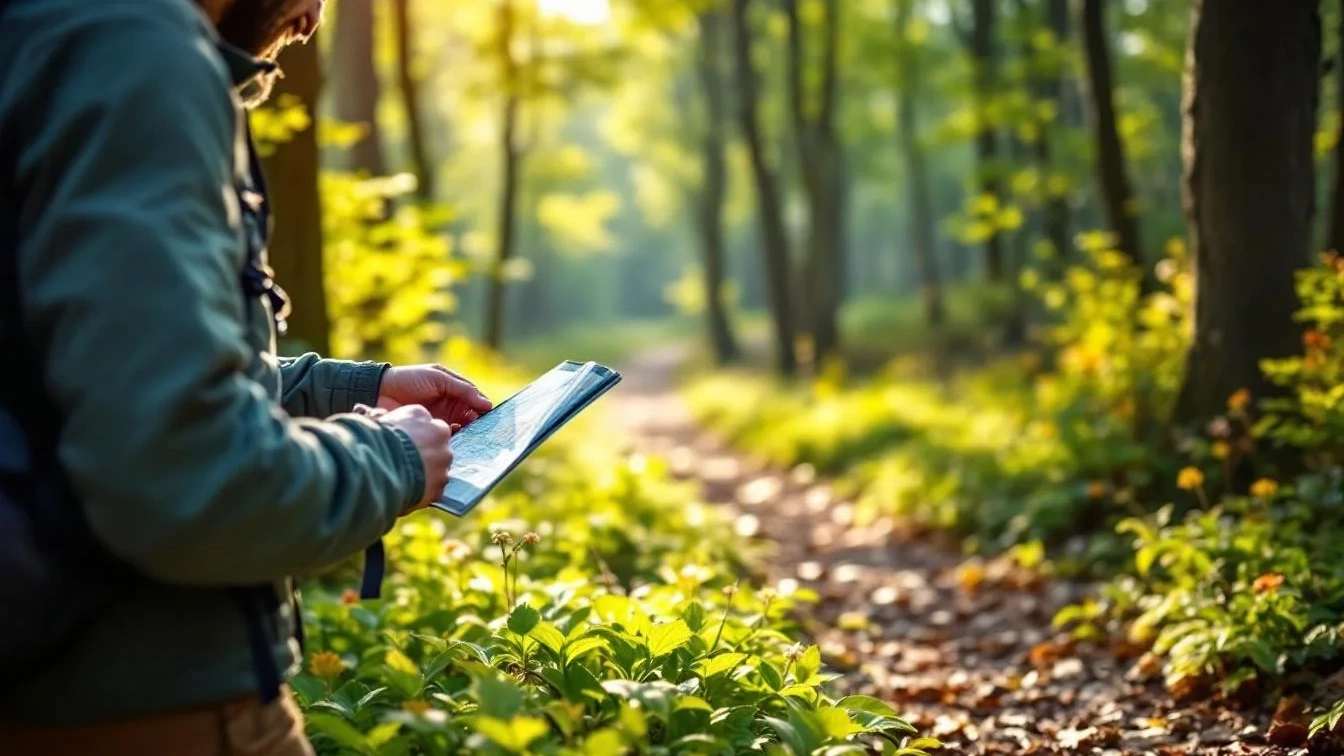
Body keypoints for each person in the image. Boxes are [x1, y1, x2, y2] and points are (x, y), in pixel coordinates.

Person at [0, 0, 492, 753]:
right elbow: (181, 476)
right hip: (139, 706)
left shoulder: (44, 34)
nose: (313, 19)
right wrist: (387, 459)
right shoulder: (135, 53)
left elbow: (65, 372)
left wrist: (351, 391)